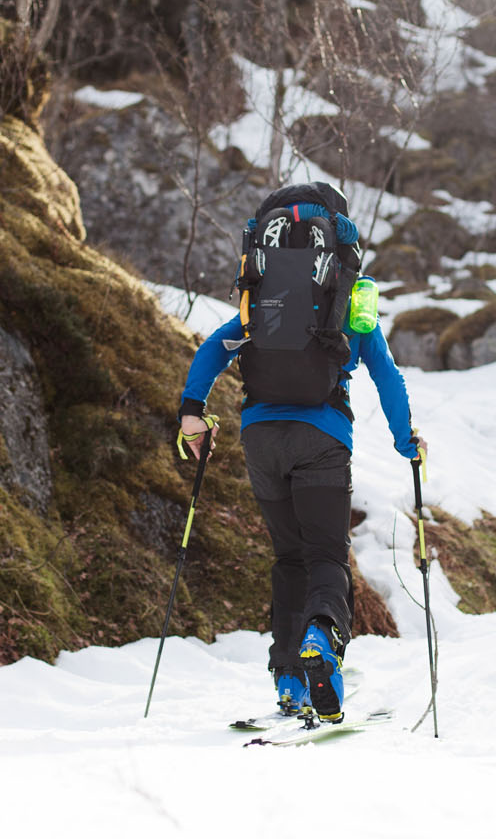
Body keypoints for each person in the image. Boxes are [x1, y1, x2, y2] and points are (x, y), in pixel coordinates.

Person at [177, 184, 425, 724]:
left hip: (261, 440)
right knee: (327, 557)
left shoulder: (259, 302)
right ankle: (322, 643)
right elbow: (387, 377)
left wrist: (192, 412)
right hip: (323, 442)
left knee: (289, 558)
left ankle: (289, 679)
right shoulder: (346, 309)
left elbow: (213, 348)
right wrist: (408, 442)